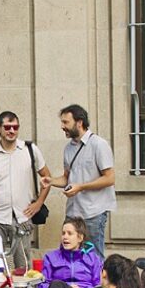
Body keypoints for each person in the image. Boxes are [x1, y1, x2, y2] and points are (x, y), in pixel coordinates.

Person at [0, 111, 51, 271]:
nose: (12, 131)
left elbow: (47, 178)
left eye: (15, 127)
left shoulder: (30, 150)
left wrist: (39, 203)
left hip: (23, 217)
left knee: (23, 265)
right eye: (7, 127)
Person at [40, 104, 116, 258]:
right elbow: (67, 178)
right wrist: (51, 181)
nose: (62, 127)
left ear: (79, 122)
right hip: (73, 213)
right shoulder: (68, 148)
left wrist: (80, 187)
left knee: (93, 257)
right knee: (67, 255)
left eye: (66, 122)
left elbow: (110, 178)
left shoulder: (99, 145)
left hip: (93, 212)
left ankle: (95, 283)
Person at [36, 217, 101, 288]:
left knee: (58, 284)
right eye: (63, 233)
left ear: (80, 238)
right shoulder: (51, 257)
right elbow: (42, 285)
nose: (65, 237)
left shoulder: (93, 259)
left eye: (69, 233)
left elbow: (99, 286)